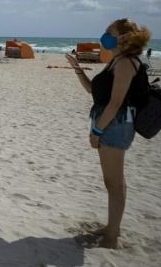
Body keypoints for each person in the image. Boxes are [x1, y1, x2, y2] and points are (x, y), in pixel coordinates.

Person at [65, 18, 151, 249]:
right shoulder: (116, 60)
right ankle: (112, 228)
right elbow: (95, 92)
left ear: (124, 37)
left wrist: (97, 130)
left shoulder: (125, 63)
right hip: (112, 123)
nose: (104, 35)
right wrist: (78, 70)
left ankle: (112, 237)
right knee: (114, 181)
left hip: (115, 125)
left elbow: (115, 103)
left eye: (109, 31)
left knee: (113, 183)